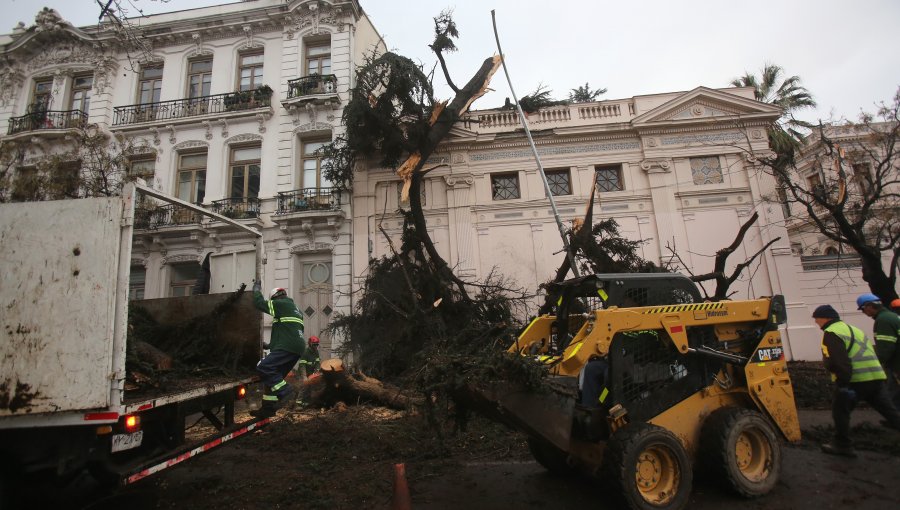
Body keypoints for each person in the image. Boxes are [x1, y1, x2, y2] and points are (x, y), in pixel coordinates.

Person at [811, 304, 900, 457]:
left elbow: (839, 361)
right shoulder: (853, 329)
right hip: (876, 377)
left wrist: (843, 385)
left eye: (816, 319)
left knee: (840, 411)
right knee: (890, 411)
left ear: (824, 318)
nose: (816, 322)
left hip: (856, 380)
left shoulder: (832, 333)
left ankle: (842, 445)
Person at [249, 280, 306, 418]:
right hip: (296, 347)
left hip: (287, 346)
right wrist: (270, 346)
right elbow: (287, 330)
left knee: (264, 367)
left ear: (274, 297)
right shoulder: (295, 309)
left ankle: (287, 391)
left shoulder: (280, 304)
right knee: (273, 377)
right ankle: (268, 408)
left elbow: (259, 304)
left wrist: (256, 291)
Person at [857, 293, 900, 407]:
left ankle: (894, 420)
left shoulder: (883, 320)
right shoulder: (891, 316)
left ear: (869, 306)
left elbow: (886, 347)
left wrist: (877, 362)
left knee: (894, 394)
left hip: (897, 364)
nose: (863, 312)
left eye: (862, 309)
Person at [295, 336, 322, 407]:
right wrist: (304, 377)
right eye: (314, 344)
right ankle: (298, 403)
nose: (315, 346)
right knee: (304, 386)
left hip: (310, 372)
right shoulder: (305, 352)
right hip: (302, 372)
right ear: (310, 343)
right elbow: (302, 366)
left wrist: (316, 371)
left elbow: (317, 363)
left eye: (317, 344)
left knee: (310, 387)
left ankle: (306, 402)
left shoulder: (316, 352)